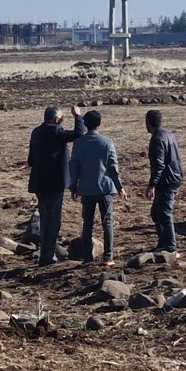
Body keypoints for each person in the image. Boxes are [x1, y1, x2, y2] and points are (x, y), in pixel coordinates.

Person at [27, 104, 84, 267]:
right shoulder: (56, 131)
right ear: (56, 119)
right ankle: (47, 255)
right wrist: (78, 116)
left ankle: (45, 253)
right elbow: (79, 134)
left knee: (45, 219)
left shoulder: (36, 132)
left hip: (39, 182)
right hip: (54, 183)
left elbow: (30, 160)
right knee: (53, 220)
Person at [69, 110, 127, 267]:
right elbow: (113, 167)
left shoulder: (79, 143)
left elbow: (74, 166)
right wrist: (119, 186)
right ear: (99, 123)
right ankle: (108, 257)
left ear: (86, 124)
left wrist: (73, 185)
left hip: (86, 188)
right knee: (107, 222)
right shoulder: (107, 142)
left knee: (87, 223)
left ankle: (87, 257)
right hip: (105, 188)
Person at [144, 110, 183, 255]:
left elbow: (158, 164)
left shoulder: (157, 139)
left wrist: (152, 184)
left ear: (148, 123)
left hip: (166, 180)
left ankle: (171, 246)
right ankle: (163, 243)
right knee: (156, 212)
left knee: (164, 212)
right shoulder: (169, 135)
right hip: (175, 177)